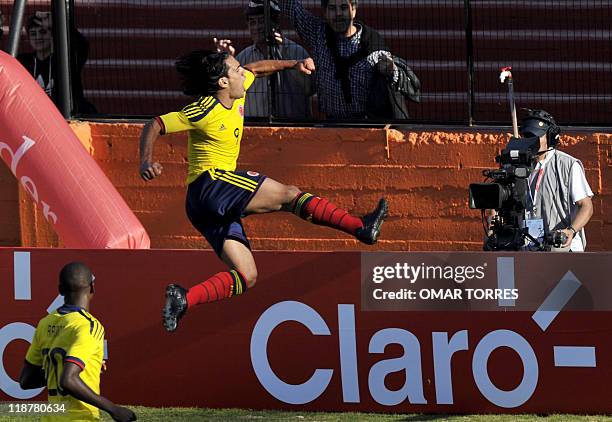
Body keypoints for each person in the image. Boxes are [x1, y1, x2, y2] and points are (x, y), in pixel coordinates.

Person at [139, 50, 388, 332]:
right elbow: (156, 124)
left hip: (203, 207)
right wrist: (146, 160)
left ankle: (185, 298)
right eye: (235, 69)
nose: (242, 72)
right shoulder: (205, 108)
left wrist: (292, 64)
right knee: (290, 194)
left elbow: (256, 69)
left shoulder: (238, 87)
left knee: (247, 275)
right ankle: (360, 227)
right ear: (222, 82)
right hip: (210, 184)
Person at [19, 262, 136, 421]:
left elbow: (26, 381)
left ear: (60, 290)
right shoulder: (90, 326)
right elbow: (68, 380)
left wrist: (79, 369)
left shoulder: (45, 323)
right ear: (93, 288)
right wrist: (114, 409)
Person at [279, 0, 418, 119]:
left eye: (344, 7)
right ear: (325, 12)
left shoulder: (372, 45)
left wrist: (390, 70)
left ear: (354, 10)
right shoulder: (318, 34)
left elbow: (407, 85)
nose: (338, 13)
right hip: (331, 125)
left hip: (366, 127)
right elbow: (293, 8)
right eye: (332, 8)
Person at [214, 0, 313, 119]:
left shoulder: (296, 52)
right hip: (253, 126)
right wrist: (224, 63)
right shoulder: (243, 58)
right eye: (252, 22)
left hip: (294, 125)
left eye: (262, 21)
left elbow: (310, 89)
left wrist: (284, 53)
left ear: (275, 23)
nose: (257, 27)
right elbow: (225, 93)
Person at [519, 109, 593, 251]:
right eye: (527, 136)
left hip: (562, 250)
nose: (530, 141)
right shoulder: (518, 166)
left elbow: (587, 206)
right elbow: (496, 208)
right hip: (530, 251)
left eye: (535, 136)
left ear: (551, 137)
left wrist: (571, 230)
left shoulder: (568, 165)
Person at [17, 11, 97, 114]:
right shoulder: (22, 61)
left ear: (52, 35)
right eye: (33, 34)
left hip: (63, 118)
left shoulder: (65, 60)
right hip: (34, 117)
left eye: (43, 32)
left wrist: (55, 21)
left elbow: (82, 45)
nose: (38, 37)